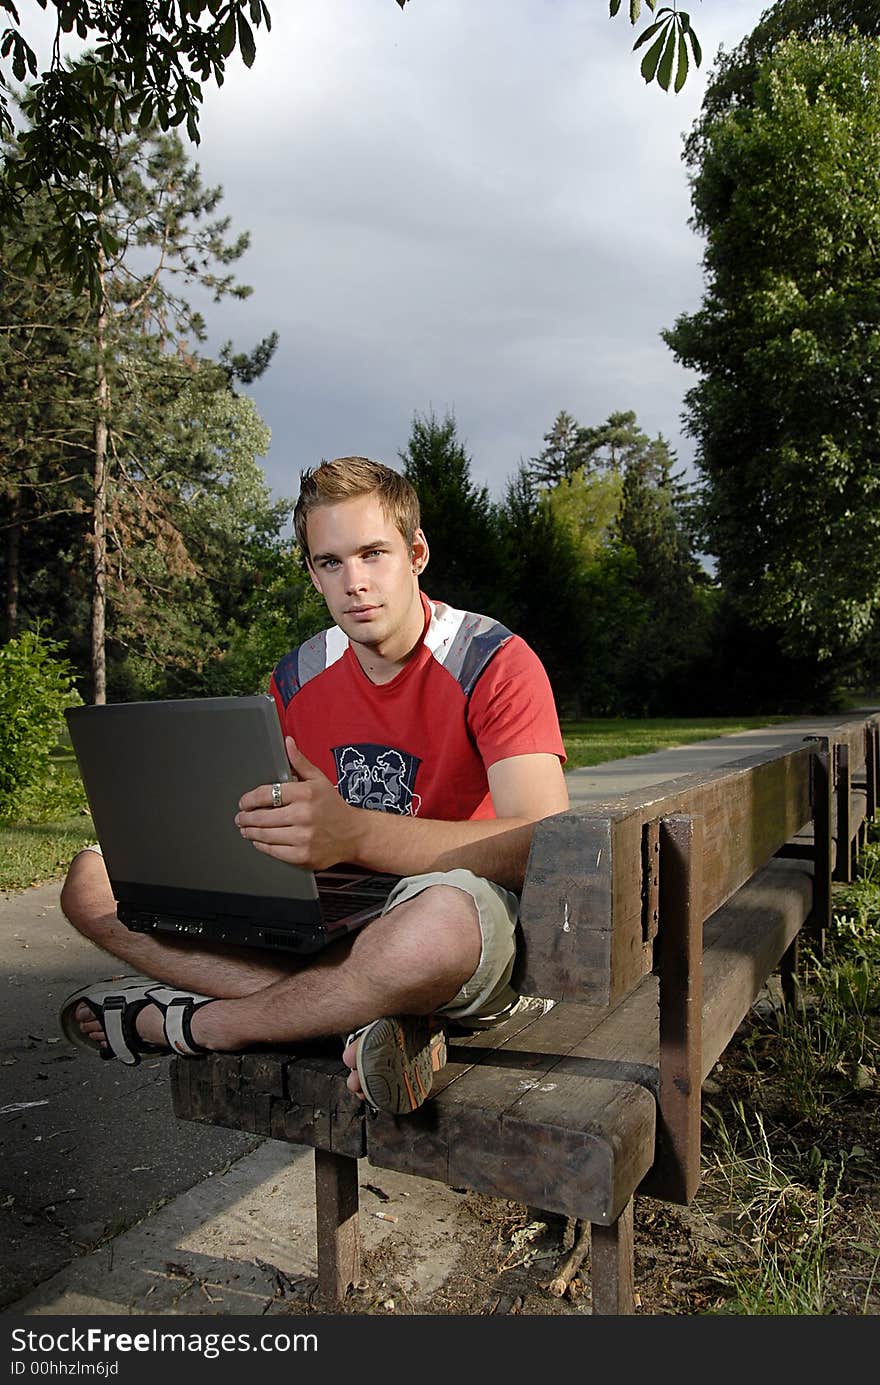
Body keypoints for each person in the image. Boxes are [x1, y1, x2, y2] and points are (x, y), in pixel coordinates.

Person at [59, 457, 570, 1114]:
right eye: (330, 562)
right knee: (91, 881)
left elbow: (547, 844)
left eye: (373, 553)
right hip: (328, 912)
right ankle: (355, 1016)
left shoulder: (492, 661)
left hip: (444, 905)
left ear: (416, 553)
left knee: (433, 929)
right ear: (312, 572)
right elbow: (266, 812)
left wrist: (356, 832)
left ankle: (201, 1021)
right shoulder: (297, 675)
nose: (354, 582)